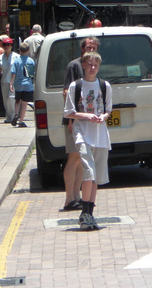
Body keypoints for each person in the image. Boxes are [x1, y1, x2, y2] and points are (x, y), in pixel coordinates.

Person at [64, 51, 112, 231]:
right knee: (89, 172)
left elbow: (108, 109)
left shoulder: (105, 85)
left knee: (96, 177)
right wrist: (86, 115)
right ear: (83, 65)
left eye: (96, 65)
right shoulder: (75, 86)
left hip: (100, 135)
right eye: (89, 64)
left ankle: (89, 214)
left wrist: (103, 116)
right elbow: (68, 112)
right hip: (82, 133)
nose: (92, 68)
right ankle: (84, 213)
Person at [61, 36, 101, 211]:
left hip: (85, 120)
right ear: (82, 48)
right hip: (74, 119)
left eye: (94, 47)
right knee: (73, 157)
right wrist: (71, 120)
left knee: (79, 160)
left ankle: (76, 197)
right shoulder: (75, 65)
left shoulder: (92, 65)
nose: (91, 49)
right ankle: (69, 198)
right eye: (88, 47)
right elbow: (66, 93)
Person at [9, 42, 35, 128]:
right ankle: (21, 121)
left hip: (18, 84)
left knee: (17, 101)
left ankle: (16, 114)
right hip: (27, 84)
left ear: (19, 51)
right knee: (24, 103)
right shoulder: (31, 61)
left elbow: (13, 73)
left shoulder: (16, 61)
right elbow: (33, 74)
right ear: (28, 50)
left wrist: (11, 84)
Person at [0, 37, 18, 124]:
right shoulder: (0, 57)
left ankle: (14, 115)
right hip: (4, 81)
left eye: (8, 45)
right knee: (5, 100)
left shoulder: (16, 57)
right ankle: (9, 117)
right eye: (5, 45)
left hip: (13, 81)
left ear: (11, 46)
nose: (7, 46)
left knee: (11, 99)